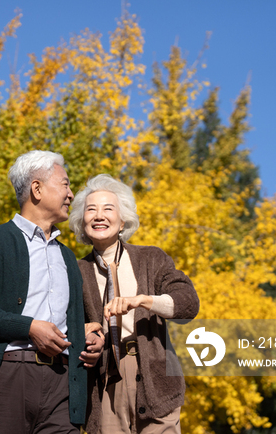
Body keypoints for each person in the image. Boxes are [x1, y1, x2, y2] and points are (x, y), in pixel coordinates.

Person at [0, 150, 104, 434]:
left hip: (63, 385)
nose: (71, 194)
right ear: (37, 188)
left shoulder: (69, 257)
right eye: (65, 184)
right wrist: (29, 327)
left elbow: (66, 322)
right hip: (6, 380)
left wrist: (87, 339)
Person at [68, 174, 199, 434]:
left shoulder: (151, 258)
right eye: (91, 210)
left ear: (123, 219)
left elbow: (188, 304)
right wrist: (88, 334)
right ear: (82, 222)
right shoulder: (76, 270)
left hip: (156, 383)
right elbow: (70, 323)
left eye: (108, 208)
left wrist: (144, 301)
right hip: (106, 386)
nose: (99, 215)